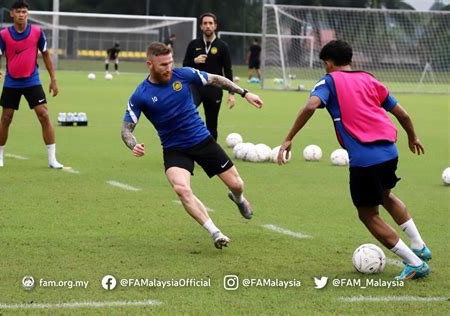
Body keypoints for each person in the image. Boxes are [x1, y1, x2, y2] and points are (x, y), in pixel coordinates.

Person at [277, 40, 431, 280]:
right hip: (390, 151)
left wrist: (288, 139)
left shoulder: (329, 81)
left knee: (368, 214)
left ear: (328, 63)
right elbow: (403, 113)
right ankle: (419, 245)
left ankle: (414, 262)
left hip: (365, 158)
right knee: (385, 195)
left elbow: (311, 105)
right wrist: (413, 136)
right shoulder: (369, 79)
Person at [122, 42, 263, 249]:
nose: (168, 68)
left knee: (237, 185)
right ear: (150, 64)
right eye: (163, 65)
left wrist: (244, 93)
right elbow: (126, 129)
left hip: (202, 140)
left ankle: (238, 198)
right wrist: (132, 144)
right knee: (181, 189)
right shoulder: (140, 94)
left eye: (170, 62)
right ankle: (215, 232)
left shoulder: (184, 74)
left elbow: (216, 79)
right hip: (174, 149)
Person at [0, 0, 63, 169]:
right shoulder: (4, 34)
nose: (21, 15)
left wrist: (53, 80)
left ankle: (52, 159)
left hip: (32, 80)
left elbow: (46, 55)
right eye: (18, 12)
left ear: (27, 14)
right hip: (11, 81)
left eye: (24, 12)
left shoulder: (37, 32)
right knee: (6, 118)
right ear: (12, 14)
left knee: (44, 115)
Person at [183, 12, 235, 141]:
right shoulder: (193, 44)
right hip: (195, 88)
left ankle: (212, 157)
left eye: (210, 23)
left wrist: (231, 93)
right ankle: (186, 147)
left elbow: (227, 69)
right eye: (205, 23)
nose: (208, 26)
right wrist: (194, 61)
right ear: (201, 26)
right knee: (185, 116)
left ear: (215, 26)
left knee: (212, 125)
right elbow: (184, 66)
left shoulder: (223, 46)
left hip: (214, 89)